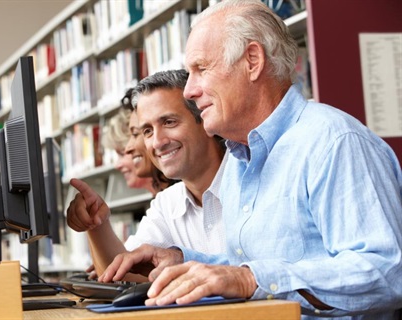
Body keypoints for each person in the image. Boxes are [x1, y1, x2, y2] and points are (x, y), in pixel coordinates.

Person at [99, 1, 402, 318]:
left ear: (253, 61)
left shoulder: (333, 142)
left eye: (201, 69)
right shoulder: (239, 160)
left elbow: (386, 271)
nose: (189, 90)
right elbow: (251, 274)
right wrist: (182, 261)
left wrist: (248, 278)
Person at [67, 69, 227, 278]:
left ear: (206, 118)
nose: (158, 142)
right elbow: (124, 276)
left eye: (169, 122)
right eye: (147, 131)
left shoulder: (252, 179)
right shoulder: (168, 203)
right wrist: (97, 224)